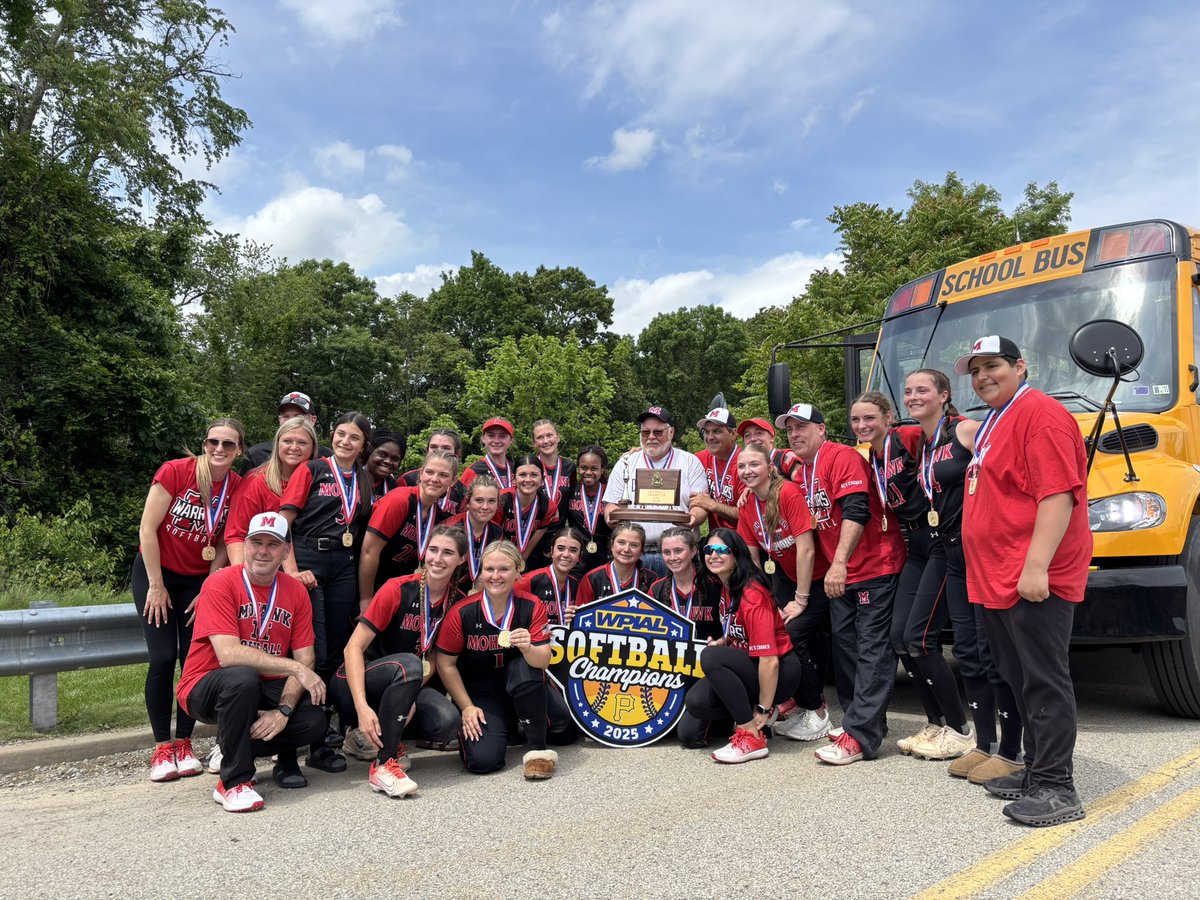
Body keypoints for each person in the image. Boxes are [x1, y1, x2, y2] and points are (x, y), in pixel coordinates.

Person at [957, 335, 1091, 827]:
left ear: (1020, 366)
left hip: (1031, 575)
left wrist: (1036, 567)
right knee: (1017, 678)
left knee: (1043, 680)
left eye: (993, 366)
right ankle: (1037, 770)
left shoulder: (1042, 414)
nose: (983, 376)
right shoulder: (999, 418)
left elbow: (1057, 495)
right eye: (975, 370)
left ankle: (1058, 788)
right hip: (997, 576)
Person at [899, 373, 1026, 780]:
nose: (913, 396)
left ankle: (1012, 749)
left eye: (922, 390)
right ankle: (984, 743)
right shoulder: (921, 446)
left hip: (980, 553)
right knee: (968, 653)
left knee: (993, 654)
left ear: (943, 395)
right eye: (908, 391)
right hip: (950, 551)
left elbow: (1006, 476)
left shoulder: (967, 430)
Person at [778, 402, 906, 766]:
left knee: (871, 651)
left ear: (822, 429)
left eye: (803, 427)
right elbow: (764, 457)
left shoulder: (842, 457)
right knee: (846, 650)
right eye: (790, 429)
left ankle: (862, 737)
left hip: (871, 566)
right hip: (845, 574)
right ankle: (857, 722)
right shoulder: (801, 469)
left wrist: (837, 565)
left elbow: (857, 511)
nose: (795, 434)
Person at [850, 390, 974, 763]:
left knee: (920, 636)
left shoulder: (908, 438)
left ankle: (960, 729)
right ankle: (935, 724)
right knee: (899, 637)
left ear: (889, 417)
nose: (861, 426)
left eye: (869, 417)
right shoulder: (871, 454)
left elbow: (953, 438)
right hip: (913, 543)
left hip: (939, 538)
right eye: (855, 420)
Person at [176, 513, 327, 812]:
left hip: (262, 686)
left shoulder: (295, 590)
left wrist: (283, 711)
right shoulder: (220, 583)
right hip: (206, 684)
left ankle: (231, 743)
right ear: (244, 545)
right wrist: (295, 668)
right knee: (242, 676)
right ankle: (233, 782)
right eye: (256, 542)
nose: (262, 551)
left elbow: (305, 655)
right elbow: (228, 655)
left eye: (273, 545)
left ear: (285, 552)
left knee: (314, 720)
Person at [134, 417, 244, 783]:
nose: (220, 450)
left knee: (193, 661)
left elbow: (229, 539)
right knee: (163, 657)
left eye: (228, 445)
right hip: (157, 575)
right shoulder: (176, 472)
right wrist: (155, 584)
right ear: (204, 443)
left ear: (239, 450)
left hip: (199, 582)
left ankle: (185, 742)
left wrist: (209, 588)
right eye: (214, 442)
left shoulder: (236, 486)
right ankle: (162, 747)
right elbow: (148, 528)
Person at [331, 525, 467, 798]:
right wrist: (361, 707)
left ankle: (368, 740)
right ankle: (384, 763)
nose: (438, 559)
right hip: (355, 681)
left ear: (462, 559)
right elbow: (352, 648)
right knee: (408, 664)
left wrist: (411, 694)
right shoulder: (397, 588)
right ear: (424, 552)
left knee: (447, 721)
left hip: (407, 679)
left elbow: (434, 656)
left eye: (448, 553)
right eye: (433, 550)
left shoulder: (457, 601)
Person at [279, 411, 374, 774]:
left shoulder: (364, 480)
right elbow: (282, 523)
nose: (345, 441)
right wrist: (291, 570)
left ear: (364, 445)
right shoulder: (313, 470)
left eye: (354, 437)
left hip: (343, 564)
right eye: (340, 434)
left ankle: (324, 741)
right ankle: (299, 743)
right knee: (314, 652)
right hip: (307, 560)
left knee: (335, 653)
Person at [436, 540, 559, 779]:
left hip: (523, 686)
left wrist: (528, 648)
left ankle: (537, 750)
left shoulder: (532, 604)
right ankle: (505, 725)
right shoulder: (462, 611)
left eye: (504, 569)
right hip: (482, 693)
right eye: (489, 569)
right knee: (483, 761)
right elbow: (445, 663)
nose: (495, 576)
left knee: (563, 729)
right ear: (480, 573)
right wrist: (466, 706)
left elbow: (543, 661)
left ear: (517, 571)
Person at [733, 444, 829, 743]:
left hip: (819, 579)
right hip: (785, 577)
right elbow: (751, 559)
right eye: (741, 466)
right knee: (776, 634)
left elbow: (807, 548)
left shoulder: (788, 493)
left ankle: (819, 712)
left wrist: (801, 599)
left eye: (753, 464)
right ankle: (800, 704)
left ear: (768, 467)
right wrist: (761, 601)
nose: (747, 471)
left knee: (792, 634)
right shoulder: (748, 503)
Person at [683, 529, 801, 764]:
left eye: (721, 550)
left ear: (736, 555)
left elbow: (770, 660)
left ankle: (751, 735)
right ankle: (750, 716)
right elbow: (737, 628)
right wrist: (724, 640)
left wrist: (763, 708)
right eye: (709, 550)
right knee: (695, 705)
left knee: (711, 657)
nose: (713, 556)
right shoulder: (726, 585)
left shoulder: (752, 593)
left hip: (780, 670)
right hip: (751, 666)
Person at [602, 406, 707, 577]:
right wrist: (611, 516)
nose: (651, 437)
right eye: (646, 432)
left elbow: (700, 504)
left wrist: (693, 518)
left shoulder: (690, 462)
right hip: (636, 554)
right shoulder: (626, 462)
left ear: (671, 432)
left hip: (679, 553)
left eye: (658, 432)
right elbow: (611, 503)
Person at [649, 526, 724, 748]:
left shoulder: (715, 585)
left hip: (708, 672)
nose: (672, 558)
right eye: (667, 552)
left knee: (690, 737)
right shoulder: (656, 589)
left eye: (678, 551)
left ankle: (728, 712)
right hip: (671, 672)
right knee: (658, 729)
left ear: (693, 551)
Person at [516, 527, 585, 744]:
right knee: (562, 719)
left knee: (568, 734)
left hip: (562, 660)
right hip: (532, 657)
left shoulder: (577, 584)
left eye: (573, 550)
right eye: (561, 548)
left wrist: (577, 616)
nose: (566, 555)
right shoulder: (530, 580)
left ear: (580, 556)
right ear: (551, 551)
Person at [357, 449, 457, 599]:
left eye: (443, 475)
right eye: (429, 472)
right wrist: (365, 599)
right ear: (421, 473)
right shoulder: (400, 500)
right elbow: (369, 551)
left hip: (395, 586)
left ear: (453, 481)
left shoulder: (438, 515)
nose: (434, 479)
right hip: (367, 582)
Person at [226, 417, 319, 566]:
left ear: (313, 448)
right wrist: (242, 578)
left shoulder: (322, 483)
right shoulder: (255, 481)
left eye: (302, 442)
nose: (294, 447)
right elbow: (236, 535)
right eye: (287, 441)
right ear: (277, 444)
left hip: (312, 564)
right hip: (265, 565)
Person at [241, 391, 331, 473]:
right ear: (280, 420)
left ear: (313, 420)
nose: (291, 421)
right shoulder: (256, 454)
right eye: (286, 416)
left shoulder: (328, 457)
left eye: (298, 416)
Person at [497, 455, 559, 567]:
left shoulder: (548, 506)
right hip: (497, 555)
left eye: (534, 475)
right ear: (514, 479)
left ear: (542, 480)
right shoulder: (501, 500)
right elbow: (493, 536)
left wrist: (519, 565)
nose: (528, 480)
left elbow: (531, 545)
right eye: (522, 475)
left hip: (527, 559)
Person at [575, 522, 655, 607]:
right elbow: (580, 617)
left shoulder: (652, 581)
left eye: (634, 545)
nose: (626, 549)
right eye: (621, 542)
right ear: (612, 545)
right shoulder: (592, 579)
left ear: (641, 550)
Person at [689, 407, 744, 531]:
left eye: (717, 431)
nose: (710, 437)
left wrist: (712, 504)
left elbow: (749, 514)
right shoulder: (700, 458)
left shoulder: (746, 464)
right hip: (716, 540)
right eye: (706, 432)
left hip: (745, 542)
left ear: (733, 434)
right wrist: (642, 453)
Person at [531, 419, 576, 565]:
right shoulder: (530, 467)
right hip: (532, 539)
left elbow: (572, 503)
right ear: (534, 443)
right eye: (540, 437)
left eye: (549, 435)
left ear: (558, 437)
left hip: (560, 541)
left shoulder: (569, 467)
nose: (546, 441)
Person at [448, 475, 501, 594]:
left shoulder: (496, 531)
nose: (485, 507)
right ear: (468, 502)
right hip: (447, 591)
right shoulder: (451, 528)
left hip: (477, 593)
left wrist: (475, 593)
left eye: (491, 501)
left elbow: (490, 568)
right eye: (479, 500)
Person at [566, 445, 612, 576]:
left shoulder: (611, 492)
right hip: (578, 555)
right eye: (584, 468)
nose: (588, 472)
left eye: (594, 468)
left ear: (602, 469)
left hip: (606, 553)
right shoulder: (571, 490)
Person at [401, 428, 466, 514]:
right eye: (433, 447)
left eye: (446, 448)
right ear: (427, 450)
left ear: (457, 453)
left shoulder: (461, 490)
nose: (439, 451)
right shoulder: (407, 479)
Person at [460, 417, 515, 490]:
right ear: (483, 438)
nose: (496, 441)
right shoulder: (473, 471)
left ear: (510, 440)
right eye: (491, 435)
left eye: (502, 436)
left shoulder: (517, 470)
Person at [366, 428, 406, 502]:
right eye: (383, 454)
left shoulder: (393, 486)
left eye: (395, 458)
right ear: (369, 451)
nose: (388, 461)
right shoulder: (349, 479)